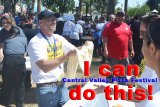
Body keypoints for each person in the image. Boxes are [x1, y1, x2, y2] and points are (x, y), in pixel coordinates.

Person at [27, 10, 76, 107]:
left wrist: (86, 47)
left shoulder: (58, 38)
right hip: (46, 89)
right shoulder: (35, 42)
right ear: (40, 22)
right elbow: (45, 66)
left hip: (62, 86)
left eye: (55, 19)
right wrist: (66, 56)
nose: (54, 22)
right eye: (50, 19)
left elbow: (74, 51)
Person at [0, 14, 27, 107]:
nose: (5, 24)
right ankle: (4, 103)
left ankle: (19, 104)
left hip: (19, 59)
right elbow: (1, 46)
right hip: (9, 59)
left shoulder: (19, 30)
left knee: (20, 85)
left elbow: (24, 42)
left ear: (11, 22)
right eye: (3, 23)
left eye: (7, 22)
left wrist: (24, 53)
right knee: (7, 83)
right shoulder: (2, 32)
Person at [102, 11, 134, 84]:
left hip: (124, 56)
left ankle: (121, 87)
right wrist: (105, 50)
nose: (120, 17)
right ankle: (108, 89)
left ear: (124, 17)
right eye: (118, 16)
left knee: (122, 73)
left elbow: (130, 39)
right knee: (111, 73)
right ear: (116, 17)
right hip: (113, 55)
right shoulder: (109, 25)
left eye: (122, 16)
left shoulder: (127, 26)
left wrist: (132, 50)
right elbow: (105, 39)